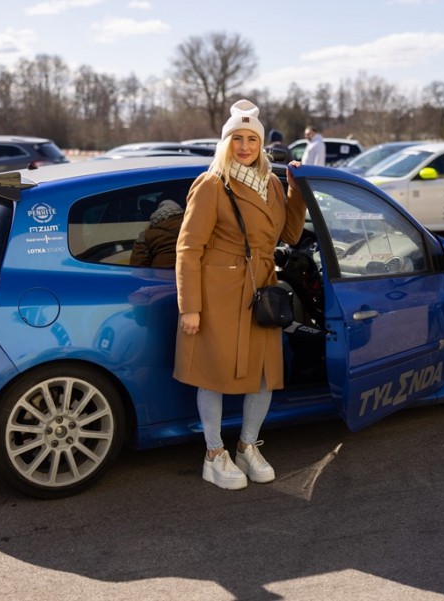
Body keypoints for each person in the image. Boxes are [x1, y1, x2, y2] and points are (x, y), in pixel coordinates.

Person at [174, 99, 306, 490]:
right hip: (218, 292)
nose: (245, 146)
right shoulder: (212, 183)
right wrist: (190, 306)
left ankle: (248, 446)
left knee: (263, 375)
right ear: (225, 142)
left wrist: (296, 191)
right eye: (237, 138)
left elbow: (290, 235)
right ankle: (214, 454)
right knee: (213, 375)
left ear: (261, 144)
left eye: (252, 139)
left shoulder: (271, 184)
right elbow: (188, 248)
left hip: (262, 288)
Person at [129, 199, 185, 268]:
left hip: (161, 274)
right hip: (191, 273)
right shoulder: (194, 230)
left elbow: (138, 269)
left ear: (156, 219)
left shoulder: (147, 236)